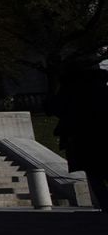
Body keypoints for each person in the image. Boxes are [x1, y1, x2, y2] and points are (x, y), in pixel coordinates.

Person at [49, 62, 108, 209]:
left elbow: (54, 108)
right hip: (98, 135)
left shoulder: (70, 89)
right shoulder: (100, 88)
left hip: (82, 139)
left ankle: (106, 204)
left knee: (94, 174)